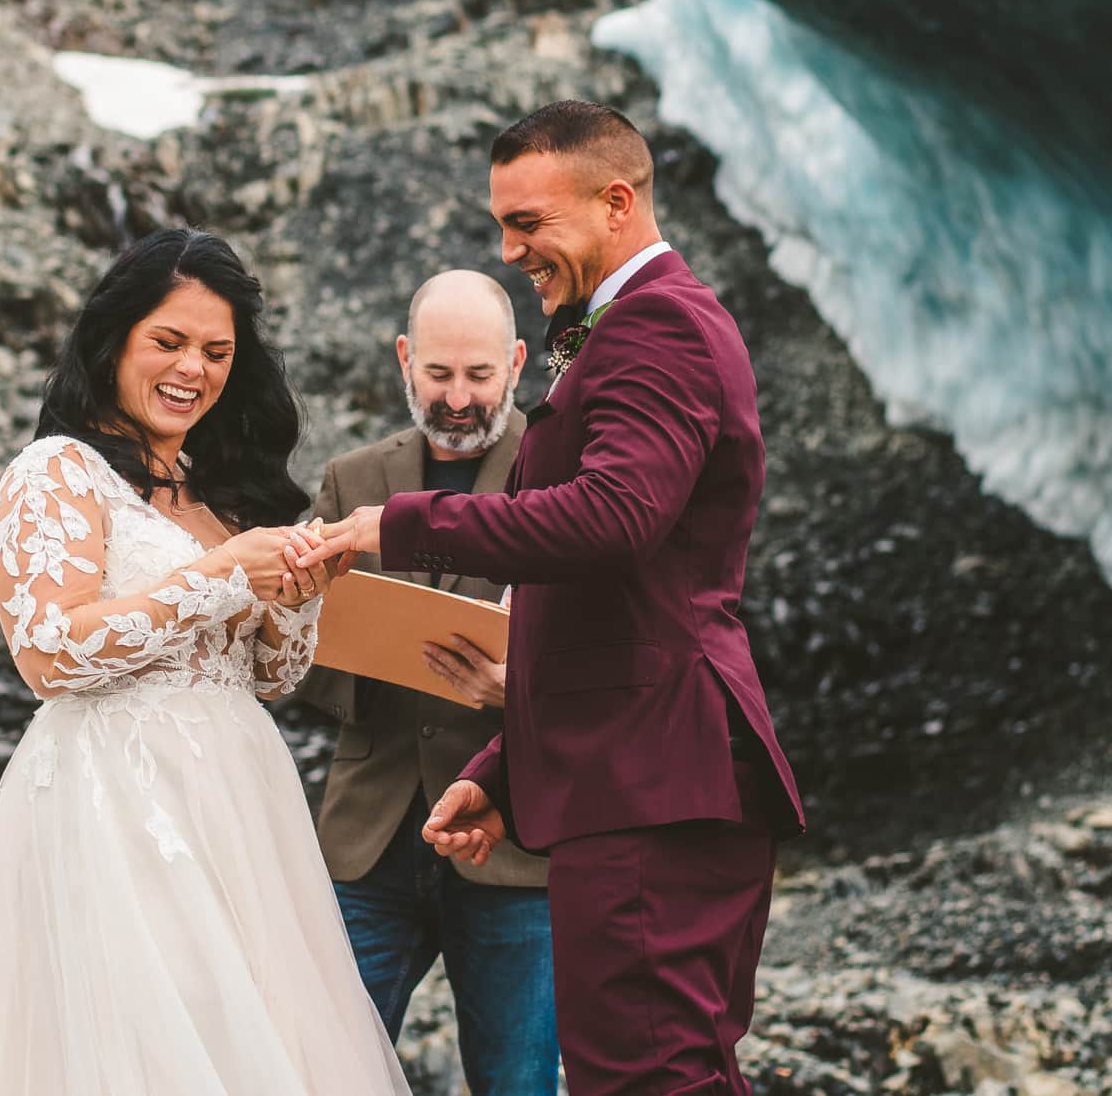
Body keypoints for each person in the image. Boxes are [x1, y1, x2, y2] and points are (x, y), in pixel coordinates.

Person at [311, 101, 804, 1096]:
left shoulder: (660, 322)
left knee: (651, 1077)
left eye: (528, 221)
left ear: (616, 201)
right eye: (502, 223)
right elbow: (609, 605)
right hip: (631, 773)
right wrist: (504, 766)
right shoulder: (623, 325)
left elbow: (612, 520)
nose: (510, 248)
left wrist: (397, 524)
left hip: (654, 782)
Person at [0, 229, 411, 1096]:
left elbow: (270, 679)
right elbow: (50, 651)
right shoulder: (57, 471)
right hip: (116, 804)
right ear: (114, 339)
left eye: (217, 351)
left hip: (241, 810)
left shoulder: (218, 493)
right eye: (168, 342)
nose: (193, 370)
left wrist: (297, 593)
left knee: (247, 1033)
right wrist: (216, 574)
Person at [297, 270, 558, 1096]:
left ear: (518, 362)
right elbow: (296, 662)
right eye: (439, 373)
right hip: (367, 842)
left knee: (516, 1084)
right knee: (320, 1074)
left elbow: (607, 659)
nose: (457, 397)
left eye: (479, 375)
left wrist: (518, 689)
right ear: (405, 359)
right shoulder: (351, 479)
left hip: (515, 849)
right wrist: (348, 645)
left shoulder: (567, 482)